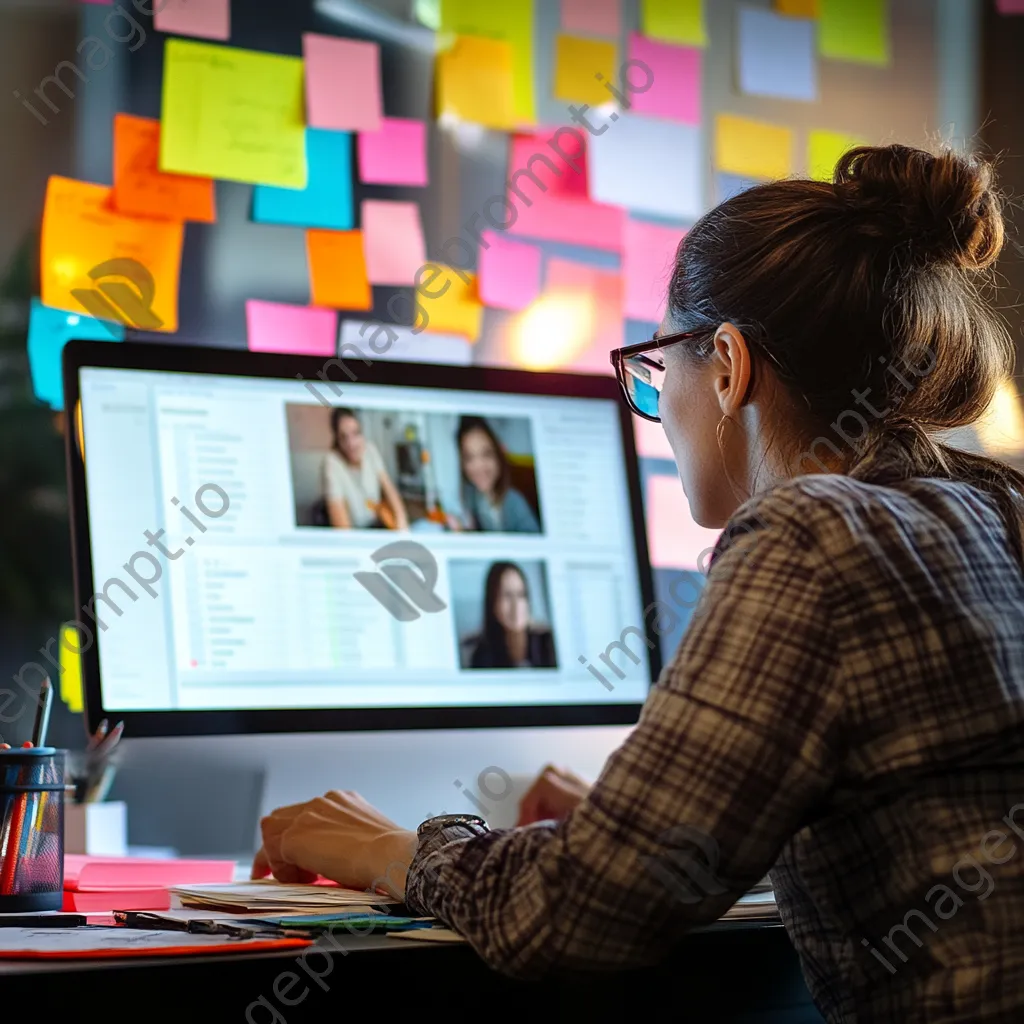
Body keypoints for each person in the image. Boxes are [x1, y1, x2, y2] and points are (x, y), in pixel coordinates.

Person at [254, 145, 1024, 1021]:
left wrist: (396, 848)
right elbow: (925, 810)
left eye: (658, 372)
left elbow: (573, 918)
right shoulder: (997, 507)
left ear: (728, 366)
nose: (658, 412)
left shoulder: (812, 535)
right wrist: (650, 823)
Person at [447, 416, 540, 533]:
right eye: (469, 458)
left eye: (486, 454)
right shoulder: (472, 497)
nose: (478, 466)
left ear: (498, 456)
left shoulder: (515, 503)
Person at [320, 408, 409, 530]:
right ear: (336, 440)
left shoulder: (370, 450)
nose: (351, 444)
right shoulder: (331, 463)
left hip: (377, 523)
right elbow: (343, 530)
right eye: (343, 437)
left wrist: (402, 522)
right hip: (356, 532)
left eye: (355, 433)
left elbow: (389, 488)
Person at [465, 562, 557, 669]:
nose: (516, 606)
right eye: (507, 596)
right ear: (493, 603)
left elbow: (580, 661)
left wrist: (581, 663)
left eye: (521, 595)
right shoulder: (482, 656)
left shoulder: (548, 642)